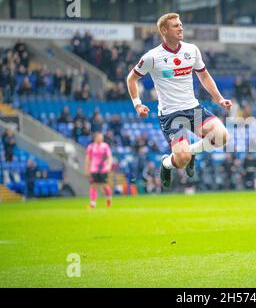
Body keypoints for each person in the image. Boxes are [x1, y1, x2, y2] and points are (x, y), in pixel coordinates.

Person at [126, 13, 232, 188]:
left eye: (180, 24)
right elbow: (131, 79)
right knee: (182, 160)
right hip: (171, 114)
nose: (180, 28)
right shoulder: (152, 57)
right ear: (164, 30)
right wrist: (137, 104)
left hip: (192, 108)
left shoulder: (192, 50)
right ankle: (166, 164)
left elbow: (204, 76)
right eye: (175, 26)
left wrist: (219, 99)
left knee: (222, 136)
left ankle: (192, 152)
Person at [85, 132, 113, 209]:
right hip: (94, 169)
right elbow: (88, 158)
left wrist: (109, 166)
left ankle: (109, 199)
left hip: (103, 169)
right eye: (99, 137)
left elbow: (109, 157)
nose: (101, 139)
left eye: (102, 137)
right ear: (95, 138)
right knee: (93, 185)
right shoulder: (91, 147)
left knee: (105, 186)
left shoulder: (105, 146)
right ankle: (93, 204)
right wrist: (87, 168)